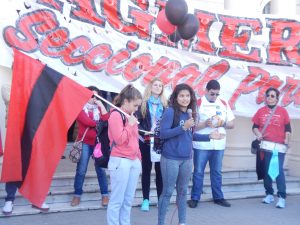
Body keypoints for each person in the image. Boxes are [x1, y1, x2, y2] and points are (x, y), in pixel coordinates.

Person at [158, 83, 224, 225]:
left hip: (187, 160)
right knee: (168, 192)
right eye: (181, 95)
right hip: (171, 159)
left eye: (187, 95)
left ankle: (182, 222)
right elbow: (163, 134)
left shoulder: (191, 113)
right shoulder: (170, 112)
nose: (185, 98)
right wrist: (183, 127)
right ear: (176, 97)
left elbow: (190, 136)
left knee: (182, 193)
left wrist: (209, 137)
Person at [188, 79, 235, 209]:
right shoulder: (197, 103)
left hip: (219, 144)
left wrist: (223, 123)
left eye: (217, 94)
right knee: (198, 172)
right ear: (206, 91)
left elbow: (232, 124)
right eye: (212, 93)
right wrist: (205, 124)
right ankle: (195, 198)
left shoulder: (224, 103)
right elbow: (191, 127)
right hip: (202, 144)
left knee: (217, 172)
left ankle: (218, 197)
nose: (214, 96)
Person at [106, 84, 142, 225]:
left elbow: (135, 139)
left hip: (133, 161)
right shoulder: (116, 114)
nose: (136, 109)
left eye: (138, 106)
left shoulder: (130, 116)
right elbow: (119, 139)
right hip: (120, 160)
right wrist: (130, 125)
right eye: (135, 105)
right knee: (117, 200)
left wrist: (138, 157)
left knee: (128, 200)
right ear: (126, 101)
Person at [252, 87, 291, 209]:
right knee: (266, 171)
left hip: (278, 147)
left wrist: (287, 140)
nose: (269, 98)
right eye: (268, 95)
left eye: (272, 96)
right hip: (265, 146)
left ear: (277, 98)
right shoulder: (260, 111)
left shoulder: (283, 111)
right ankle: (269, 194)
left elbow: (288, 129)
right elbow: (255, 126)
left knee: (277, 171)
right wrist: (258, 134)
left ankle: (282, 197)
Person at [71, 86, 109, 207]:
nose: (93, 98)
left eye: (96, 96)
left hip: (98, 143)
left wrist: (102, 105)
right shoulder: (79, 107)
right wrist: (100, 123)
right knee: (81, 170)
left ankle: (105, 195)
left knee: (101, 170)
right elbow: (86, 121)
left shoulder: (99, 107)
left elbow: (107, 120)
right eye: (91, 96)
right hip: (85, 142)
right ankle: (77, 195)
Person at [136, 78, 168, 211]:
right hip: (146, 141)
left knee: (160, 172)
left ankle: (160, 200)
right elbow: (138, 122)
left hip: (160, 142)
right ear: (150, 87)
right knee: (146, 171)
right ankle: (146, 200)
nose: (158, 87)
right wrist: (145, 132)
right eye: (155, 85)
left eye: (160, 85)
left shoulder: (166, 105)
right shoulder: (143, 103)